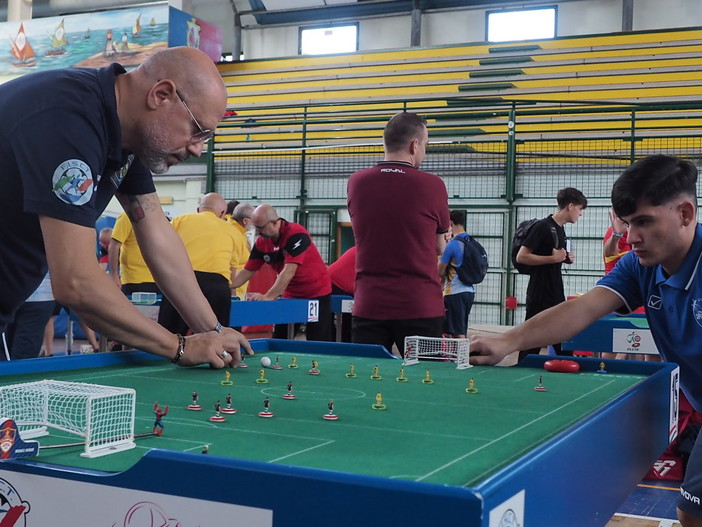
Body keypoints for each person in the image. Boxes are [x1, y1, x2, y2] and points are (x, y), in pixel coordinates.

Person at [469, 155, 702, 527]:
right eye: (627, 224)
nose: (630, 237)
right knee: (691, 514)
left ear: (686, 214)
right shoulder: (641, 266)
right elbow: (582, 309)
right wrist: (509, 340)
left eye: (643, 222)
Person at [0, 46, 250, 368]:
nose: (199, 149)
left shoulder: (126, 137)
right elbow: (76, 281)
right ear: (161, 95)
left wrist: (213, 330)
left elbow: (157, 234)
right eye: (197, 130)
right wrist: (179, 346)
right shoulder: (69, 118)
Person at [347, 111, 450, 355]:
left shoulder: (357, 182)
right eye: (425, 145)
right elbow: (439, 248)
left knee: (365, 379)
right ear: (415, 145)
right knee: (423, 384)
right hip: (420, 305)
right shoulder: (433, 185)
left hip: (369, 304)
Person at [230, 204, 333, 342]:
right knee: (280, 338)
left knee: (318, 341)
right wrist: (227, 286)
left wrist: (268, 296)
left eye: (261, 228)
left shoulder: (296, 234)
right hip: (291, 295)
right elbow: (248, 271)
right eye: (256, 228)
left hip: (317, 293)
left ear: (274, 222)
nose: (258, 233)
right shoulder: (262, 243)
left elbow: (289, 271)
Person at [515, 187, 587, 362]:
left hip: (554, 289)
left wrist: (564, 259)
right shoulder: (542, 227)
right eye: (580, 209)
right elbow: (522, 257)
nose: (581, 214)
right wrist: (552, 258)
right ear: (570, 206)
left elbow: (554, 256)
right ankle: (523, 366)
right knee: (532, 336)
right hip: (540, 292)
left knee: (560, 333)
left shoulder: (559, 229)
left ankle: (565, 364)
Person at [157, 193, 242, 335]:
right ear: (222, 213)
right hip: (216, 285)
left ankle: (167, 356)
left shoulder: (180, 220)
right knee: (216, 336)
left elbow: (162, 247)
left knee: (170, 335)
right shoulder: (233, 231)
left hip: (182, 280)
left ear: (198, 209)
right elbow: (233, 269)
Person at [437, 210, 476, 339]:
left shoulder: (453, 245)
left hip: (454, 292)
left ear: (450, 223)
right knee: (462, 329)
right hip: (469, 291)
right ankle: (461, 358)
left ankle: (460, 359)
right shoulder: (471, 241)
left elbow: (439, 271)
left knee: (456, 333)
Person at [109, 212, 160, 295]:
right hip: (134, 280)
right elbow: (114, 246)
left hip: (158, 280)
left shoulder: (157, 218)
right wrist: (114, 275)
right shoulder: (127, 217)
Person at [327, 246, 356, 342]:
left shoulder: (359, 248)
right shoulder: (366, 251)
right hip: (335, 283)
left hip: (333, 281)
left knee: (347, 320)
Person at [227, 202, 254, 300]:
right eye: (253, 220)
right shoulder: (235, 235)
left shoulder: (238, 232)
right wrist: (233, 297)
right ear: (245, 221)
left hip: (237, 289)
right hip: (235, 292)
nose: (255, 224)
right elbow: (231, 267)